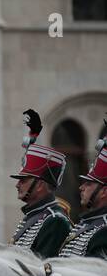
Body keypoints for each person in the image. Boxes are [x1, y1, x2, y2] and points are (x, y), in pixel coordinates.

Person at [10, 109, 72, 257]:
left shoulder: (55, 221)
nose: (17, 185)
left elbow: (41, 272)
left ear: (39, 185)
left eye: (23, 180)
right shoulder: (33, 216)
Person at [59, 128, 107, 257]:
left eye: (89, 184)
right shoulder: (85, 224)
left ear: (104, 192)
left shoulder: (104, 230)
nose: (81, 187)